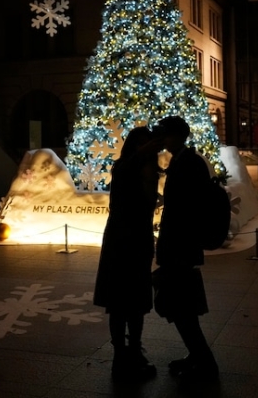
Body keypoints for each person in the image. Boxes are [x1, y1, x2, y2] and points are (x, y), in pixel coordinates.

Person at [93, 126, 164, 381]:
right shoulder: (124, 168)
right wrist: (144, 151)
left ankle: (133, 351)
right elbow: (124, 170)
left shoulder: (150, 173)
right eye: (139, 145)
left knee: (136, 303)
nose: (145, 150)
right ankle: (121, 355)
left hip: (139, 242)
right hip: (120, 242)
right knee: (118, 302)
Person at [153, 116, 219, 382]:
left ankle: (205, 362)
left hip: (181, 246)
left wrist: (173, 246)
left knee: (183, 309)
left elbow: (187, 209)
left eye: (166, 134)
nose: (162, 139)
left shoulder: (188, 163)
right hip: (180, 244)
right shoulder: (183, 161)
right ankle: (197, 356)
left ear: (179, 136)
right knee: (183, 308)